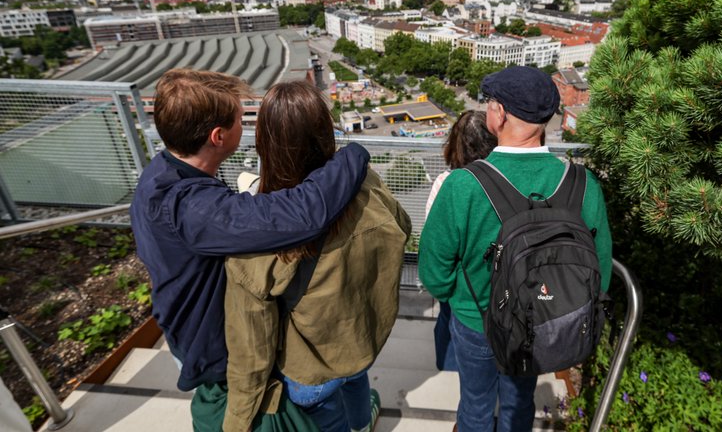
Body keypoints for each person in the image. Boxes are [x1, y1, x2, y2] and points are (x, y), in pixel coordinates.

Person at [130, 69, 370, 431]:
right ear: (218, 136)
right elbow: (304, 212)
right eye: (241, 118)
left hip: (183, 327)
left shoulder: (160, 174)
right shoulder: (195, 209)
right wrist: (354, 153)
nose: (247, 125)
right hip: (214, 348)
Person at [419, 66, 613, 432]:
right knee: (519, 402)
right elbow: (599, 266)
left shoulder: (463, 186)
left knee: (475, 405)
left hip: (478, 321)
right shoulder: (582, 183)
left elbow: (434, 272)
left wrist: (458, 299)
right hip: (544, 320)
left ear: (500, 113)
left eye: (490, 102)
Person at [223, 80, 411, 432]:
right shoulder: (365, 183)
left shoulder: (257, 231)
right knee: (356, 381)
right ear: (325, 133)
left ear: (265, 143)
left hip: (311, 365)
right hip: (360, 340)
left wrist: (238, 419)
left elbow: (252, 342)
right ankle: (362, 423)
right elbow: (402, 226)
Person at [424, 110, 496, 371]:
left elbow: (435, 241)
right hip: (498, 283)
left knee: (449, 323)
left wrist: (444, 289)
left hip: (459, 286)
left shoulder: (446, 183)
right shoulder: (505, 182)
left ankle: (448, 366)